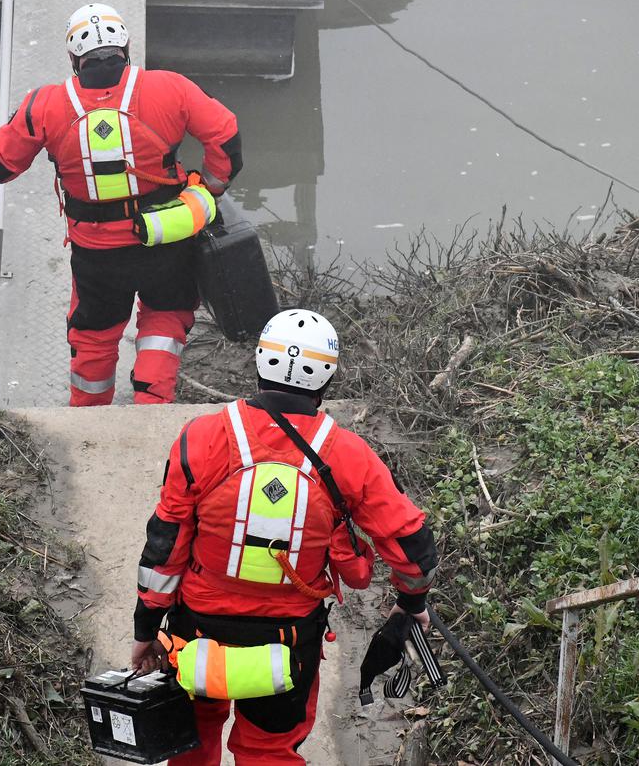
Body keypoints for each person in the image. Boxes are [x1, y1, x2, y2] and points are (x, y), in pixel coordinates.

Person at [129, 308, 439, 765]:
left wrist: (145, 628)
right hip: (289, 641)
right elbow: (412, 544)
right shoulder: (350, 456)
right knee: (269, 752)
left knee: (190, 748)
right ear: (328, 377)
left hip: (196, 633)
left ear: (258, 362)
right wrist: (411, 604)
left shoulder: (202, 437)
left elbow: (165, 545)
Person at [0, 3, 243, 407]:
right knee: (166, 317)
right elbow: (225, 134)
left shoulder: (45, 105)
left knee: (94, 334)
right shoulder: (170, 87)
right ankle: (152, 406)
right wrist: (211, 186)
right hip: (166, 238)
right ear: (126, 47)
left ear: (73, 57)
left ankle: (88, 419)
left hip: (96, 254)